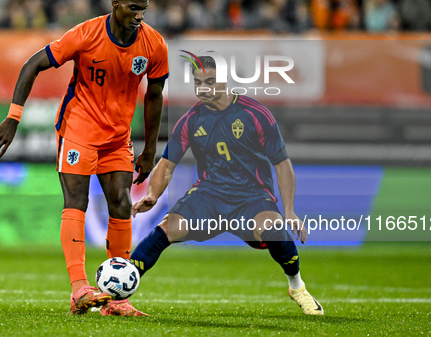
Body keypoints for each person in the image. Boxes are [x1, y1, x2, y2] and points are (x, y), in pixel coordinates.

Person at [0, 0, 169, 317]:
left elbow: (155, 95)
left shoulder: (153, 44)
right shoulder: (85, 34)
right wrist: (13, 116)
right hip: (79, 129)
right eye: (133, 7)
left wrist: (149, 149)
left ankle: (116, 300)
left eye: (143, 8)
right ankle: (79, 290)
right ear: (115, 3)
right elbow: (32, 64)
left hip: (117, 137)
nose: (139, 15)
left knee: (120, 203)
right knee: (77, 200)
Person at [130, 56, 323, 316]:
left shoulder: (255, 113)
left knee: (275, 230)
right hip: (209, 197)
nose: (203, 88)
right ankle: (118, 293)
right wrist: (153, 194)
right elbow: (166, 164)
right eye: (198, 83)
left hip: (251, 199)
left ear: (225, 80)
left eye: (210, 81)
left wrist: (288, 210)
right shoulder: (190, 120)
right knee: (165, 230)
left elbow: (282, 164)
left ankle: (297, 287)